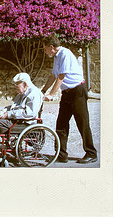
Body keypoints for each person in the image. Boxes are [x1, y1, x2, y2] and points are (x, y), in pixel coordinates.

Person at [41, 33, 97, 164]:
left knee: (82, 123)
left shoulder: (65, 54)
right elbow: (53, 75)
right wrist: (43, 91)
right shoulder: (56, 56)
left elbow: (61, 76)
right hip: (67, 93)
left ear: (51, 46)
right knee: (61, 124)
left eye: (44, 48)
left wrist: (52, 94)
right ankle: (61, 154)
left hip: (77, 91)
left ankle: (91, 153)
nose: (44, 51)